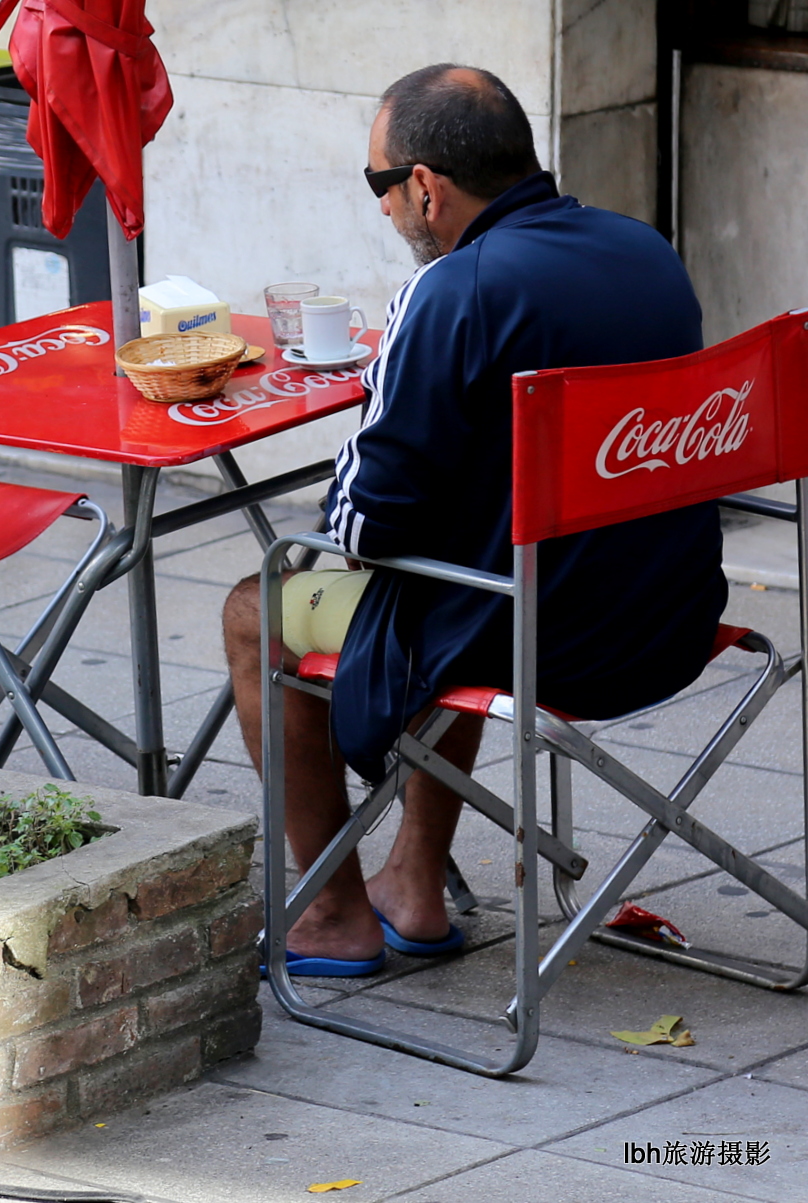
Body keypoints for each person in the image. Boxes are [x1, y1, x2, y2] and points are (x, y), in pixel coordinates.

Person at [221, 63, 726, 976]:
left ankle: (332, 912)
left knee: (261, 605)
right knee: (467, 561)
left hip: (539, 638)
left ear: (425, 185)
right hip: (670, 618)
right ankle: (413, 884)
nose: (381, 208)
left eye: (380, 184)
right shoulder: (646, 250)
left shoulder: (452, 289)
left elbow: (364, 525)